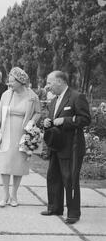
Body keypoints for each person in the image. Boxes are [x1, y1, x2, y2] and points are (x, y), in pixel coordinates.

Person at [41, 71, 91, 225]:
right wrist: (46, 122)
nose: (47, 87)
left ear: (60, 81)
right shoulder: (54, 101)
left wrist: (65, 120)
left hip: (72, 147)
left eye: (50, 83)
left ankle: (73, 213)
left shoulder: (76, 97)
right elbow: (51, 119)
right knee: (53, 176)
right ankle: (55, 207)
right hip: (56, 145)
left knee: (69, 179)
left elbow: (86, 119)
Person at [0, 67, 41, 207]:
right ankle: (5, 195)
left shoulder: (32, 96)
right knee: (5, 164)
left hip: (22, 132)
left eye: (12, 81)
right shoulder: (6, 94)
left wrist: (31, 123)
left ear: (20, 82)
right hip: (6, 131)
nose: (9, 84)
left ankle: (14, 194)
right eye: (8, 81)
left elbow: (38, 112)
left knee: (18, 164)